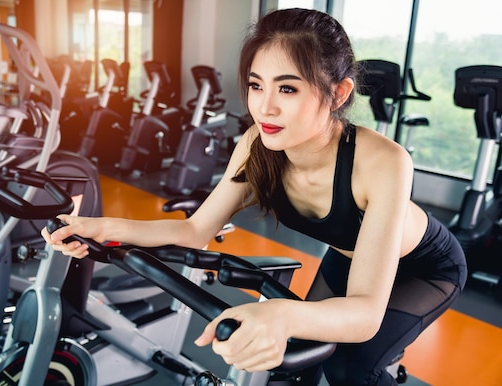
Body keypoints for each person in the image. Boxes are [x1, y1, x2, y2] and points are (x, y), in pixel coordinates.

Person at [42, 7, 467, 385]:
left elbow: (364, 315)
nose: (264, 108)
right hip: (353, 254)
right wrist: (100, 227)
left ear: (338, 93)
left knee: (351, 370)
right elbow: (194, 230)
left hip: (425, 269)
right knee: (300, 358)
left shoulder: (383, 162)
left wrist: (280, 313)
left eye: (287, 89)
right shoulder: (256, 144)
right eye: (256, 85)